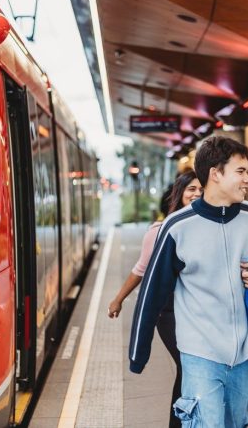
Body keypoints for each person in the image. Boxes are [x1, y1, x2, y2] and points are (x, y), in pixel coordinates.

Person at [128, 136, 248, 428]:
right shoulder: (178, 227)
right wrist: (138, 353)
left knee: (236, 422)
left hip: (244, 353)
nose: (247, 179)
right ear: (215, 174)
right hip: (199, 352)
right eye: (240, 171)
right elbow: (152, 292)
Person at [108, 170, 202, 428]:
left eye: (201, 190)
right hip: (169, 312)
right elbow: (140, 269)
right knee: (187, 365)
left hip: (197, 311)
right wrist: (118, 299)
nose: (196, 194)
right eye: (191, 189)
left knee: (190, 370)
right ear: (179, 193)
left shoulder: (208, 227)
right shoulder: (161, 230)